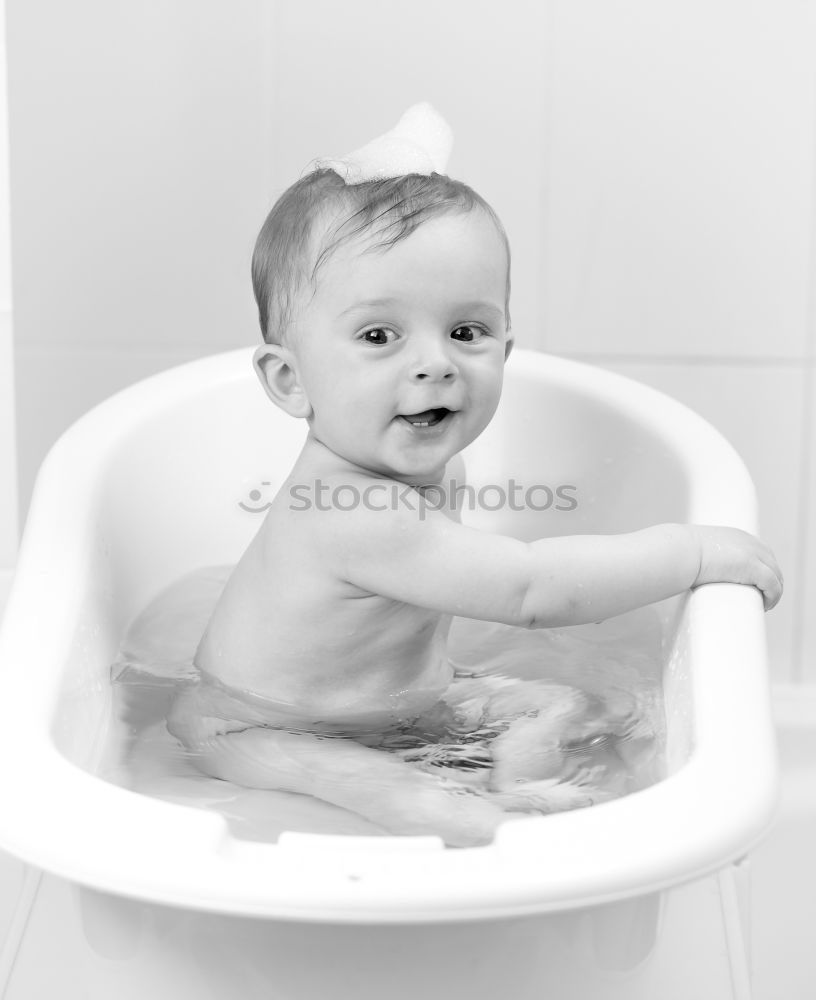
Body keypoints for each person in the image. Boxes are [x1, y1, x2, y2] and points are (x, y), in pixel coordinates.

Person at [167, 106, 782, 846]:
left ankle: (519, 779)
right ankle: (493, 829)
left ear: (506, 345)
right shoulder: (352, 513)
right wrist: (691, 553)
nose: (435, 362)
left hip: (390, 704)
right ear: (291, 381)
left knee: (562, 703)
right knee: (428, 809)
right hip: (253, 722)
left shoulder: (425, 461)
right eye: (378, 335)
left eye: (466, 331)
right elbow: (530, 589)